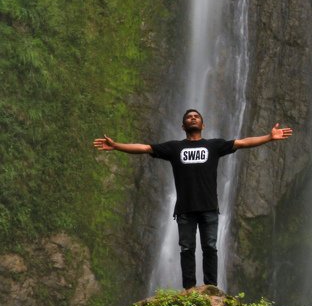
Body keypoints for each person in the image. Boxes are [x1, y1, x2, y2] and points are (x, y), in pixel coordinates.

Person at [93, 109, 293, 289]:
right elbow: (145, 148)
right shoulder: (174, 148)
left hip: (209, 208)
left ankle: (211, 288)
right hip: (185, 209)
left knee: (210, 247)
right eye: (189, 117)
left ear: (203, 125)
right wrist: (117, 146)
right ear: (183, 126)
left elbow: (241, 143)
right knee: (187, 248)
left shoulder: (214, 145)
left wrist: (268, 137)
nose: (193, 118)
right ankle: (189, 289)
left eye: (196, 116)